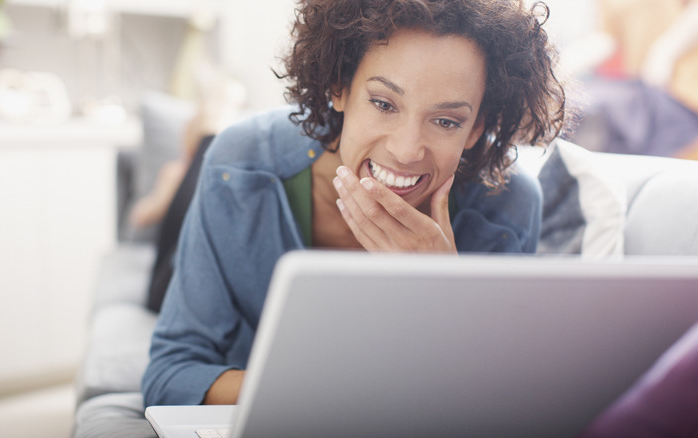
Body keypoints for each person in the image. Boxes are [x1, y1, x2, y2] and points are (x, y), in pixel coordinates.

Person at [142, 0, 566, 407]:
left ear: (476, 129)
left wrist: (444, 294)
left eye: (446, 121)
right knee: (204, 156)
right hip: (213, 196)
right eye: (383, 103)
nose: (405, 150)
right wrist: (333, 396)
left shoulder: (507, 207)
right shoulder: (243, 166)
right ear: (339, 85)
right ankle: (192, 150)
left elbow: (494, 402)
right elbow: (171, 375)